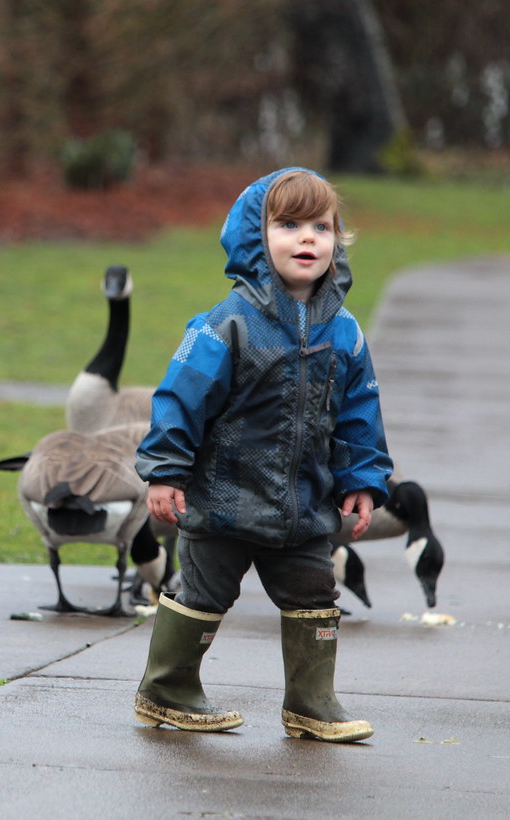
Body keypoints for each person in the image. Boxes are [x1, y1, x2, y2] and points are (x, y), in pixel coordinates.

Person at [133, 167, 393, 743]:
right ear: (255, 235)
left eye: (321, 227)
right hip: (224, 500)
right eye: (289, 224)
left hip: (302, 506)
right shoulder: (225, 325)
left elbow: (359, 415)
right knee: (203, 592)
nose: (308, 238)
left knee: (313, 594)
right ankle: (166, 691)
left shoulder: (345, 333)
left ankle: (311, 702)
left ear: (337, 240)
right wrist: (166, 471)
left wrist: (362, 479)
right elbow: (179, 399)